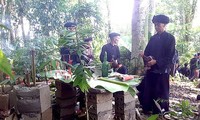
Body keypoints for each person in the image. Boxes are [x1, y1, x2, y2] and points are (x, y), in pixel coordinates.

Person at [137, 14, 175, 114]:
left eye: (158, 25)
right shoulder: (153, 38)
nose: (156, 27)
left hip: (162, 71)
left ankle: (161, 111)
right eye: (155, 25)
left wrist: (157, 61)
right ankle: (147, 108)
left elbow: (169, 56)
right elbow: (147, 53)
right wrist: (145, 58)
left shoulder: (170, 38)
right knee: (146, 90)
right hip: (151, 70)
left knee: (161, 93)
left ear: (164, 25)